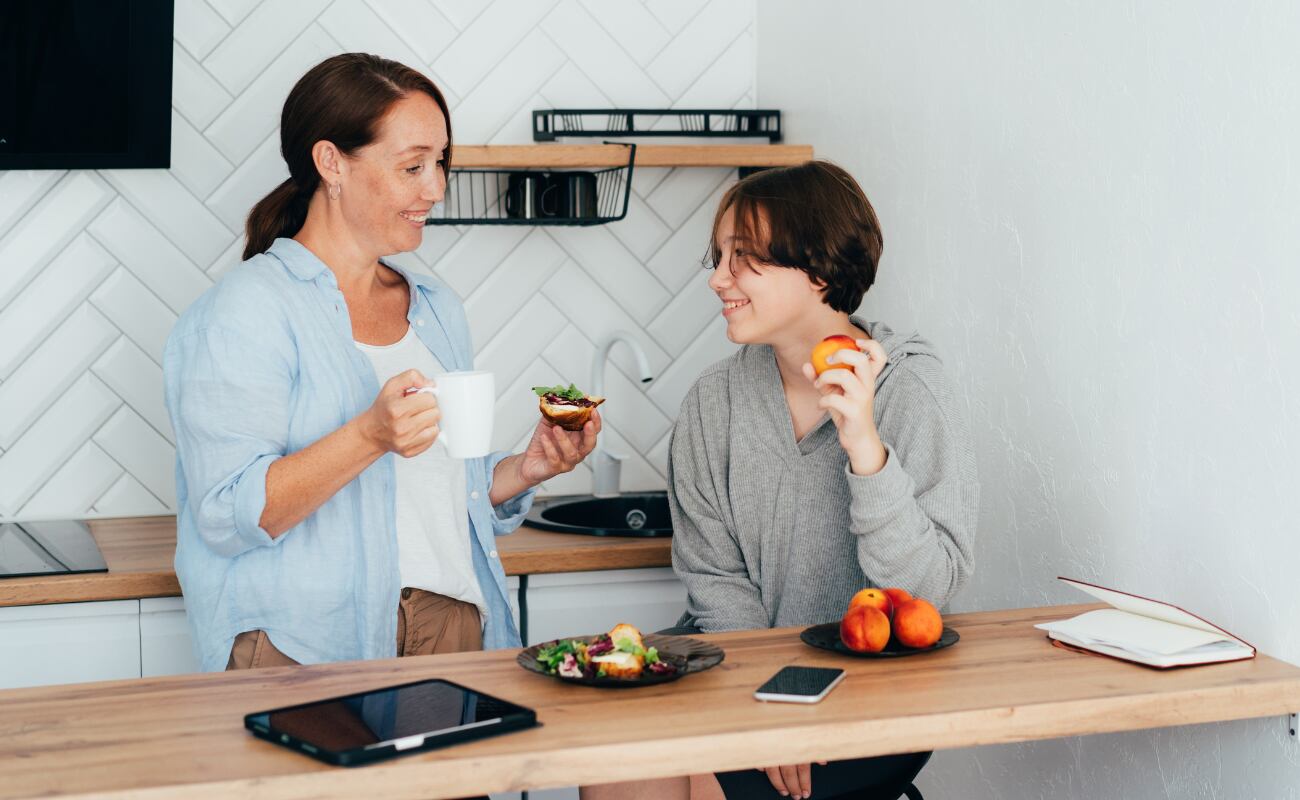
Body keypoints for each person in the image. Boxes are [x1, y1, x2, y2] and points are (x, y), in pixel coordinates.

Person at [163, 53, 598, 674]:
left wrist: (524, 470)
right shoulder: (246, 310)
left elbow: (438, 489)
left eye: (441, 162)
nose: (436, 187)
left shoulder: (435, 308)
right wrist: (369, 435)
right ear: (331, 162)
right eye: (412, 166)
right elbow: (228, 515)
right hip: (303, 639)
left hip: (450, 624)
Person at [582, 161, 977, 800]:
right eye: (718, 257)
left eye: (744, 259)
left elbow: (929, 595)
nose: (717, 279)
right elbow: (713, 579)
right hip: (736, 675)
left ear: (819, 270)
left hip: (874, 699)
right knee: (614, 753)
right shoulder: (716, 400)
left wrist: (865, 450)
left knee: (697, 777)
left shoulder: (907, 392)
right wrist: (769, 705)